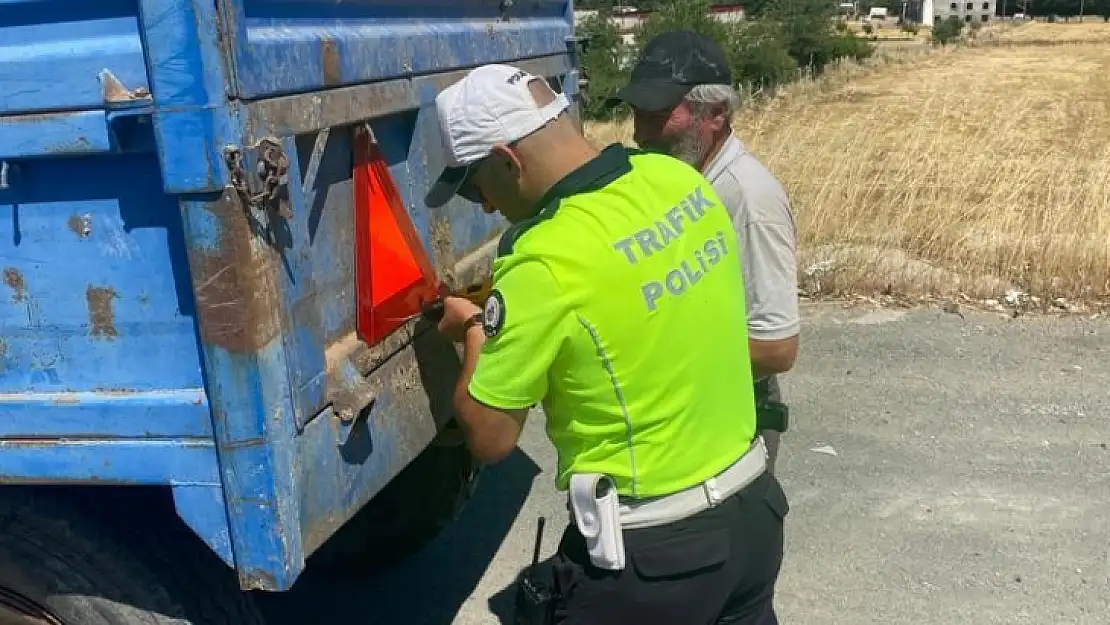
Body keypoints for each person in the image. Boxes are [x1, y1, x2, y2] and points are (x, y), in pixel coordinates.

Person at [423, 62, 788, 625]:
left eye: (476, 188)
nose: (488, 206)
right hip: (754, 516)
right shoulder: (678, 181)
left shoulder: (541, 259)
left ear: (505, 159)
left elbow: (490, 437)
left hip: (655, 562)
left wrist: (475, 328)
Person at [607, 30, 801, 474]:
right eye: (637, 113)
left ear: (716, 113)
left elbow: (776, 348)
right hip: (690, 413)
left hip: (734, 420)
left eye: (657, 115)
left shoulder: (748, 200)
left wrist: (650, 354)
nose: (639, 133)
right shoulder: (684, 179)